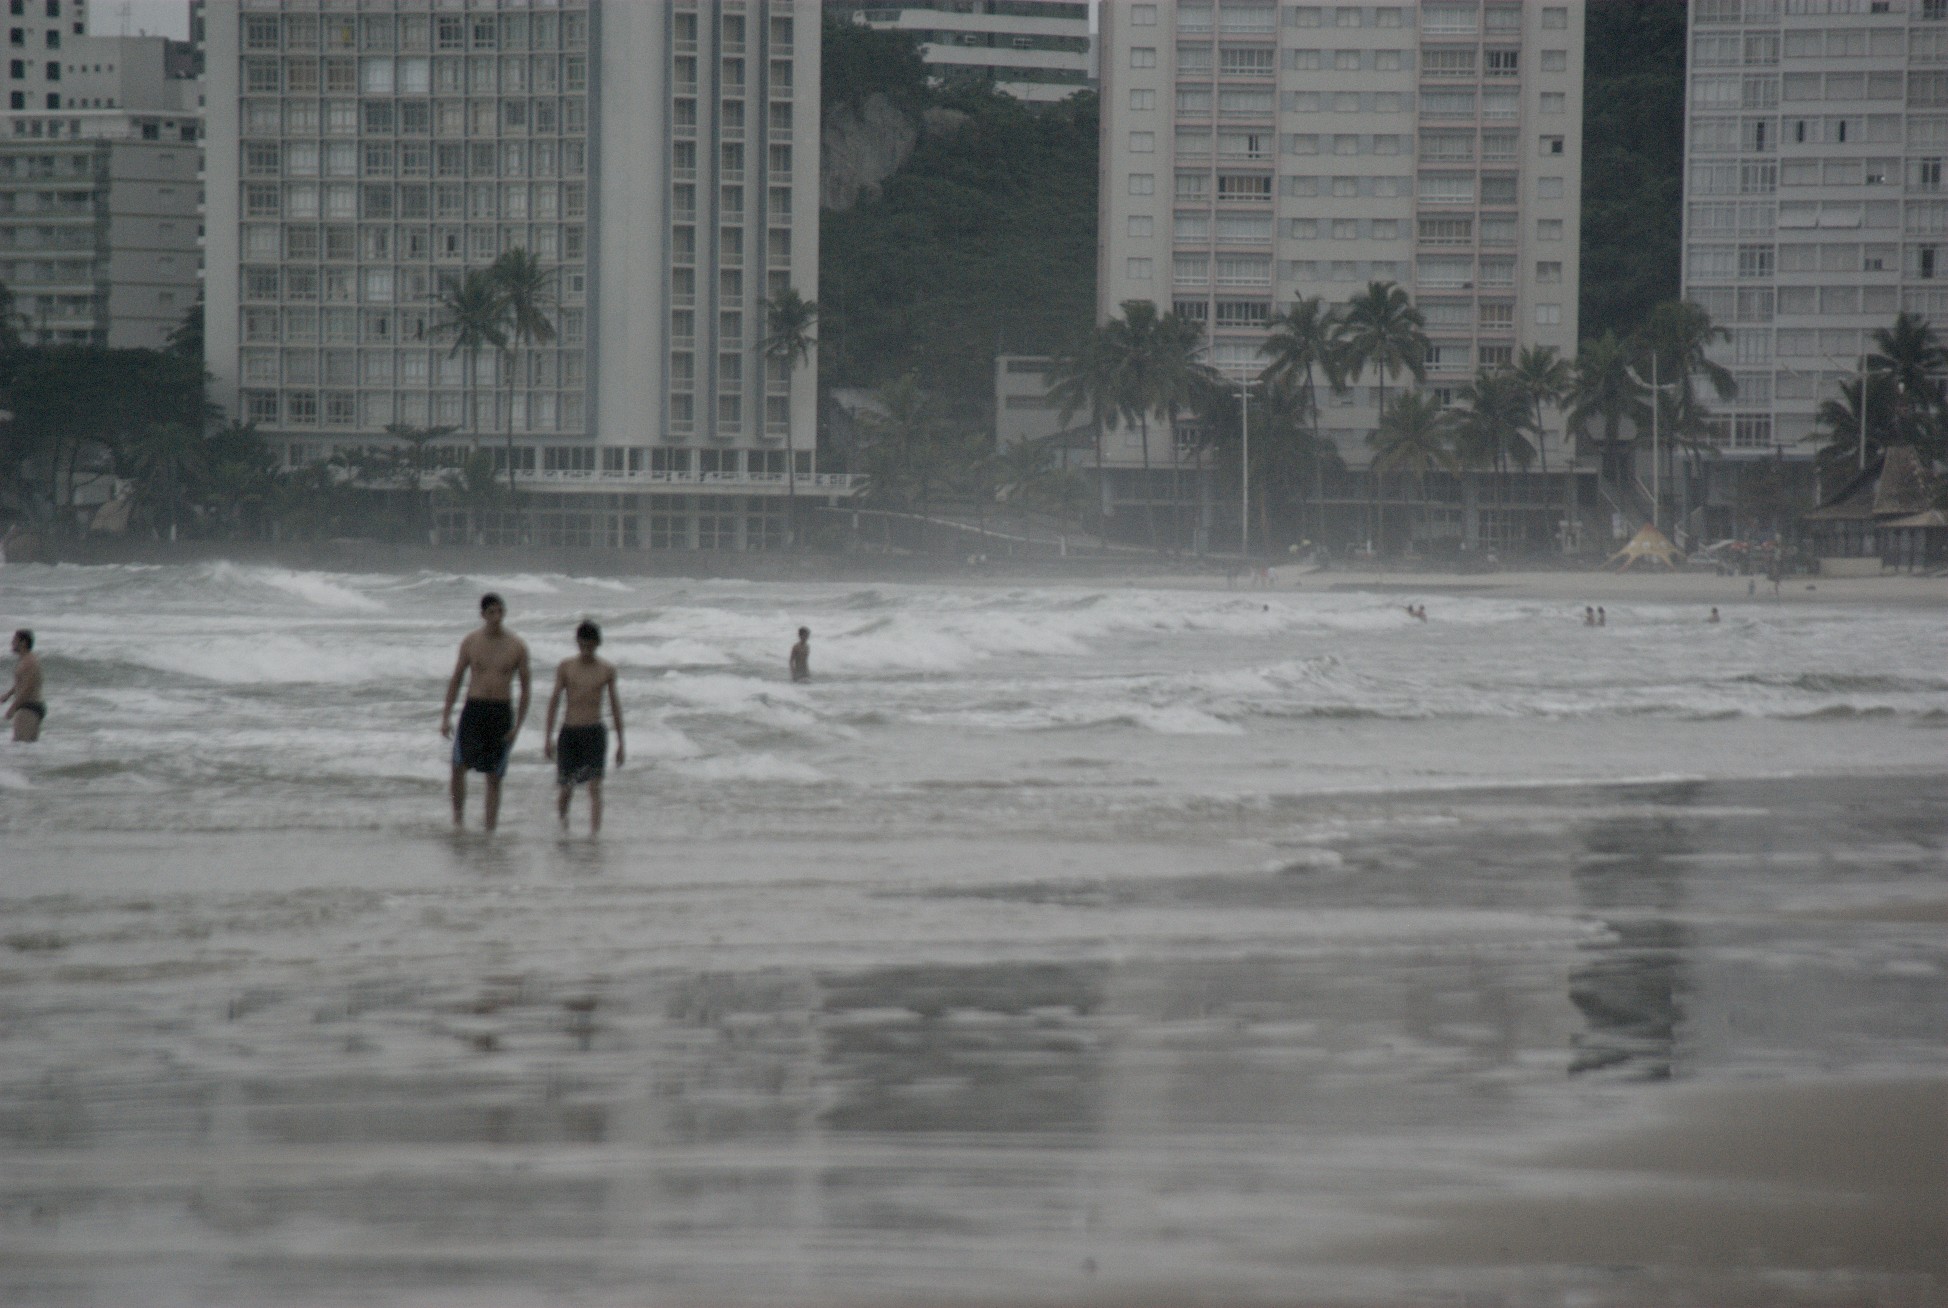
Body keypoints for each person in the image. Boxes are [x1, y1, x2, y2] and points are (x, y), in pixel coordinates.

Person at [440, 593, 531, 831]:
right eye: (491, 612)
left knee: (494, 775)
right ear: (482, 615)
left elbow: (525, 689)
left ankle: (490, 830)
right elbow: (457, 679)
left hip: (501, 711)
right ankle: (458, 820)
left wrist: (518, 726)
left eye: (500, 611)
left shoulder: (517, 646)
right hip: (475, 708)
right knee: (458, 767)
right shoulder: (471, 642)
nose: (496, 617)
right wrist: (446, 716)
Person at [544, 619, 625, 834]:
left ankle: (594, 836)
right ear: (577, 643)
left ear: (598, 644)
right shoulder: (566, 667)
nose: (586, 650)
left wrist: (621, 743)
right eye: (582, 645)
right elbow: (554, 702)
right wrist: (548, 738)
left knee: (595, 787)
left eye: (590, 646)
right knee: (566, 789)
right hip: (569, 732)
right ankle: (563, 830)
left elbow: (615, 707)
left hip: (594, 732)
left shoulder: (606, 670)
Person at [4, 629, 44, 742]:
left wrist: (13, 708)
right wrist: (8, 695)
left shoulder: (29, 662)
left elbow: (28, 688)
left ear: (23, 643)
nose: (12, 643)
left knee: (20, 743)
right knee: (26, 747)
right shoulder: (25, 660)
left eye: (14, 640)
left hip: (29, 707)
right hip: (30, 706)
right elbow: (21, 682)